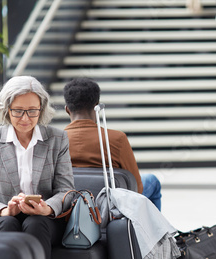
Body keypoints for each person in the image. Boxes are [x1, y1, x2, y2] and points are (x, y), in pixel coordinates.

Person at [0, 76, 75, 259]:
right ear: (6, 109)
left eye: (32, 111)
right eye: (18, 111)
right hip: (2, 218)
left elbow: (66, 191)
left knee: (35, 223)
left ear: (41, 110)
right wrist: (4, 210)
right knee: (8, 223)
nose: (25, 118)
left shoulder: (57, 139)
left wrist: (48, 208)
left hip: (44, 220)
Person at [63, 78, 162, 211]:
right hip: (110, 208)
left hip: (68, 206)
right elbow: (137, 188)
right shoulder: (117, 139)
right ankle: (154, 231)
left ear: (67, 109)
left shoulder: (55, 140)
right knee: (152, 181)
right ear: (97, 106)